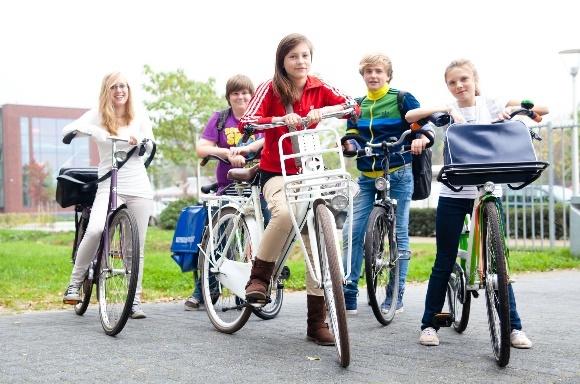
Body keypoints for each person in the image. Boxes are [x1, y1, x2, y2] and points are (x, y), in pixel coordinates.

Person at [405, 58, 548, 347]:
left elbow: (541, 108)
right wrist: (444, 109)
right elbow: (411, 115)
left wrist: (512, 109)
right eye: (452, 82)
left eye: (464, 80)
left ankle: (513, 328)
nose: (459, 86)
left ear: (475, 80)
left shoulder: (492, 103)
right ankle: (429, 324)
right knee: (443, 259)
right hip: (455, 192)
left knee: (499, 263)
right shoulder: (450, 108)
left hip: (490, 190)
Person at [239, 33, 355, 346]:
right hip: (276, 173)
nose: (300, 61)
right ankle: (259, 278)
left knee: (320, 235)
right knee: (285, 215)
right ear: (282, 61)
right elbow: (247, 120)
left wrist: (327, 112)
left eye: (305, 55)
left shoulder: (319, 85)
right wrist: (279, 118)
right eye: (293, 57)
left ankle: (316, 323)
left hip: (310, 172)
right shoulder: (270, 87)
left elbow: (351, 105)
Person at [342, 53, 430, 315]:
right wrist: (349, 144)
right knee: (352, 232)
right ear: (363, 75)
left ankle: (395, 295)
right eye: (368, 71)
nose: (373, 76)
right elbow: (353, 136)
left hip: (399, 172)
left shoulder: (401, 98)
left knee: (399, 235)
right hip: (368, 178)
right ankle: (349, 291)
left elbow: (424, 126)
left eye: (378, 71)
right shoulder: (357, 106)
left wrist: (421, 139)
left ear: (388, 75)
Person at [62, 71, 155, 319]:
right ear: (107, 90)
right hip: (109, 183)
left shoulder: (139, 114)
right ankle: (74, 282)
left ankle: (133, 301)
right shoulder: (98, 115)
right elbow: (70, 129)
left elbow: (151, 144)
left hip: (138, 184)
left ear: (129, 89)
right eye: (114, 87)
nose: (119, 91)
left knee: (134, 248)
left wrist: (141, 141)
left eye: (123, 86)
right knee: (94, 230)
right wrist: (92, 131)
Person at [184, 74, 266, 311]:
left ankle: (250, 290)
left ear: (253, 95)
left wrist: (250, 148)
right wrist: (227, 152)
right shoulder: (220, 119)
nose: (241, 97)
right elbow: (202, 148)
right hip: (227, 187)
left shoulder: (260, 118)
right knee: (216, 240)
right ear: (229, 97)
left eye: (245, 93)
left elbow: (270, 138)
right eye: (235, 93)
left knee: (262, 241)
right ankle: (204, 291)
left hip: (259, 186)